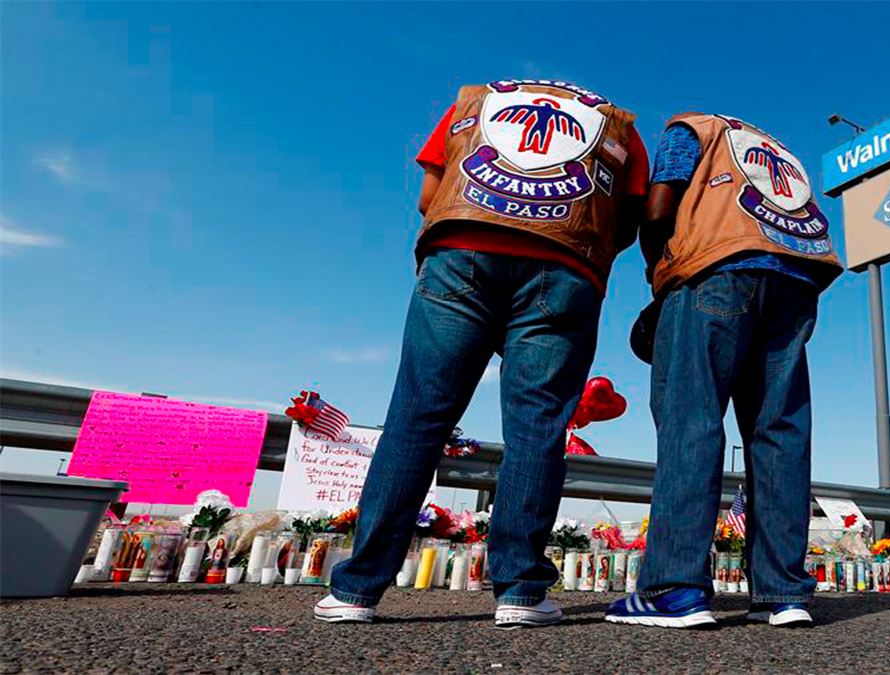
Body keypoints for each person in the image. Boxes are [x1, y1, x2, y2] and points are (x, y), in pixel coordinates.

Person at [315, 79, 648, 627]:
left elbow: (429, 196)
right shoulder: (620, 126)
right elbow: (627, 224)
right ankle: (521, 592)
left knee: (418, 419)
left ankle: (356, 590)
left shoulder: (477, 99)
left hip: (462, 251)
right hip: (566, 266)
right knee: (538, 428)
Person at [605, 113, 843, 629]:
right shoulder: (775, 145)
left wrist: (658, 269)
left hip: (716, 271)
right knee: (779, 431)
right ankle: (782, 594)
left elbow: (659, 207)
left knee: (691, 420)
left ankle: (674, 588)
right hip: (795, 279)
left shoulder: (692, 128)